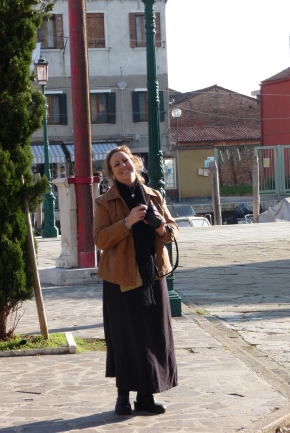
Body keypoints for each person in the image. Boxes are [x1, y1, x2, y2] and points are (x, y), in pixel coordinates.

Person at [93, 145, 179, 416]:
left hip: (153, 275)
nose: (122, 166)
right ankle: (123, 396)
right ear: (111, 172)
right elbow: (99, 239)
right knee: (126, 337)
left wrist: (161, 227)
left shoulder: (154, 196)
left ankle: (146, 396)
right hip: (121, 279)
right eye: (116, 164)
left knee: (153, 336)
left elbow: (172, 232)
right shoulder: (104, 202)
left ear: (136, 164)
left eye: (126, 161)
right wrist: (127, 222)